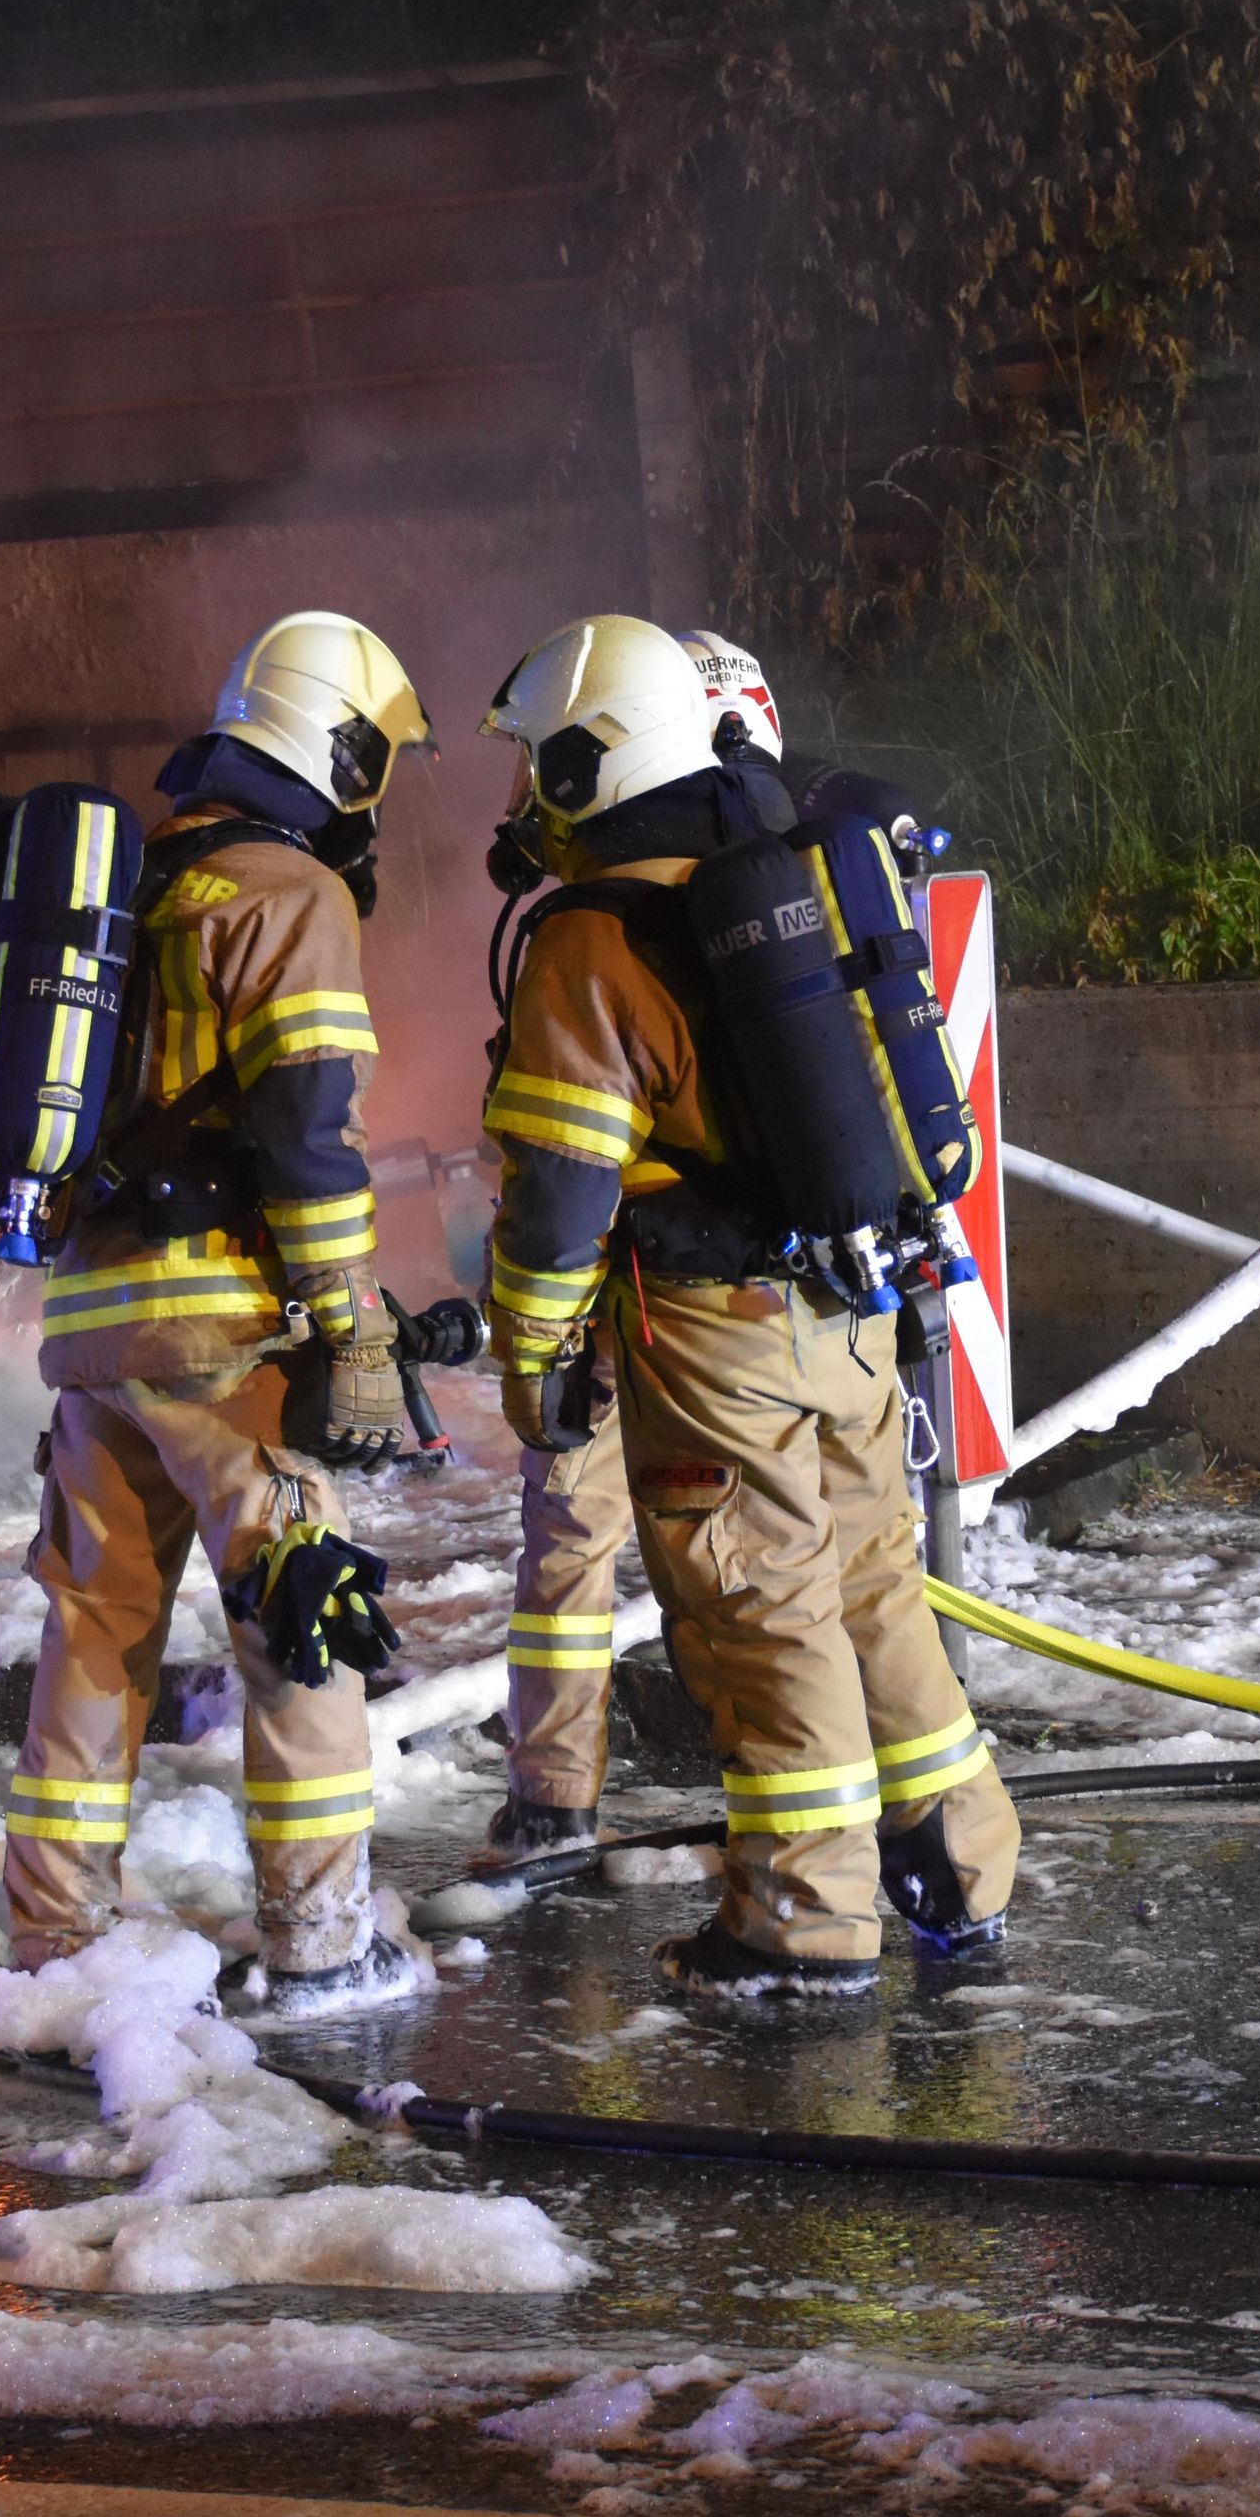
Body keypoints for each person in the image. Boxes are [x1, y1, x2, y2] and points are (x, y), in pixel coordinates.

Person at [474, 611, 1021, 1996]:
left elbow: (556, 1198)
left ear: (593, 759)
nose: (530, 793)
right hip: (848, 1303)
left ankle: (800, 1923)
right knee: (875, 1588)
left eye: (544, 762)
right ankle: (961, 1869)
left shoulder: (590, 940)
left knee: (755, 1612)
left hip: (711, 1330)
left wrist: (533, 1350)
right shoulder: (788, 877)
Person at [5, 610, 437, 2019]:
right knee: (296, 1612)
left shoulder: (134, 890)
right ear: (337, 750)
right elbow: (309, 1128)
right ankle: (321, 1942)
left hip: (97, 1331)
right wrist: (349, 1320)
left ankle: (56, 1945)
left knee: (94, 1635)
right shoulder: (283, 892)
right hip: (229, 1328)